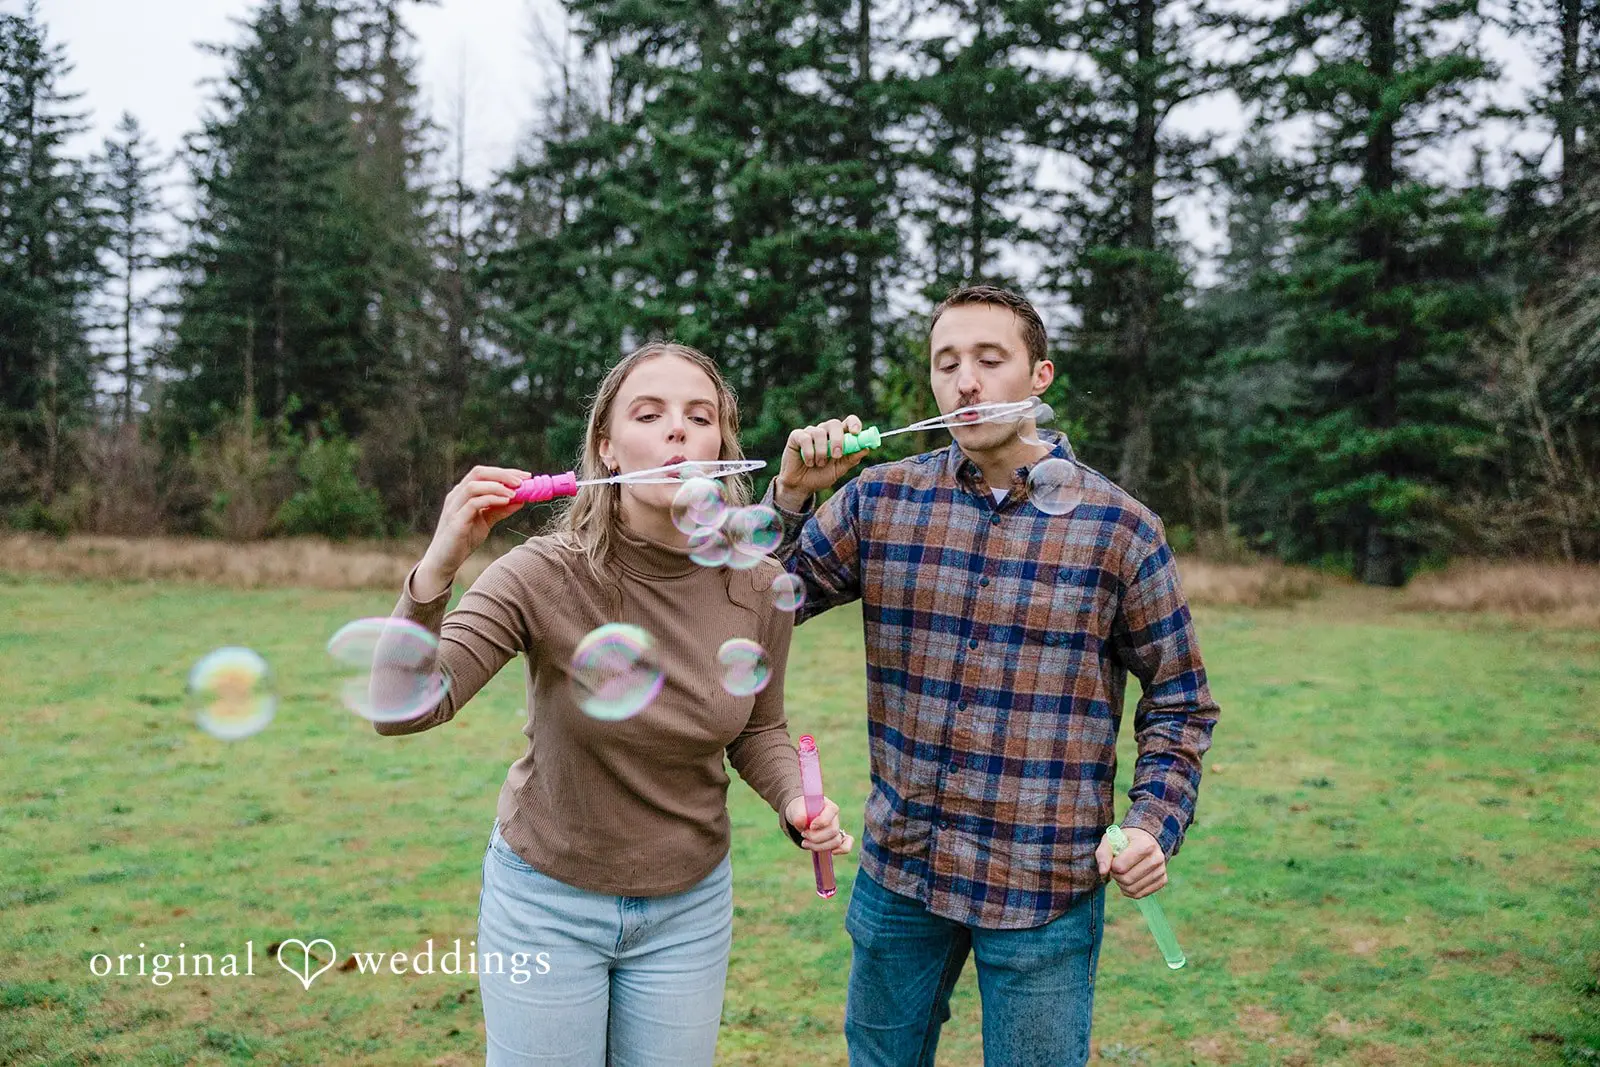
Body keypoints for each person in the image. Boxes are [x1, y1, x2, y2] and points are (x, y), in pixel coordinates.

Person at [766, 284, 1220, 1067]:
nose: (965, 381)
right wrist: (791, 495)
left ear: (1039, 376)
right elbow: (762, 605)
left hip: (1042, 885)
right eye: (946, 363)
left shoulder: (1120, 528)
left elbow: (1180, 701)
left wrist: (1152, 823)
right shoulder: (880, 499)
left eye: (988, 358)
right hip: (902, 873)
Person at [375, 341, 853, 1067]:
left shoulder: (756, 583)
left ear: (722, 450)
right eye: (649, 414)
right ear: (606, 446)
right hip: (545, 902)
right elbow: (402, 708)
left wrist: (796, 800)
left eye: (700, 417)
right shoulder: (540, 573)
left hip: (689, 908)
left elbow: (760, 729)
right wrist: (440, 562)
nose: (677, 430)